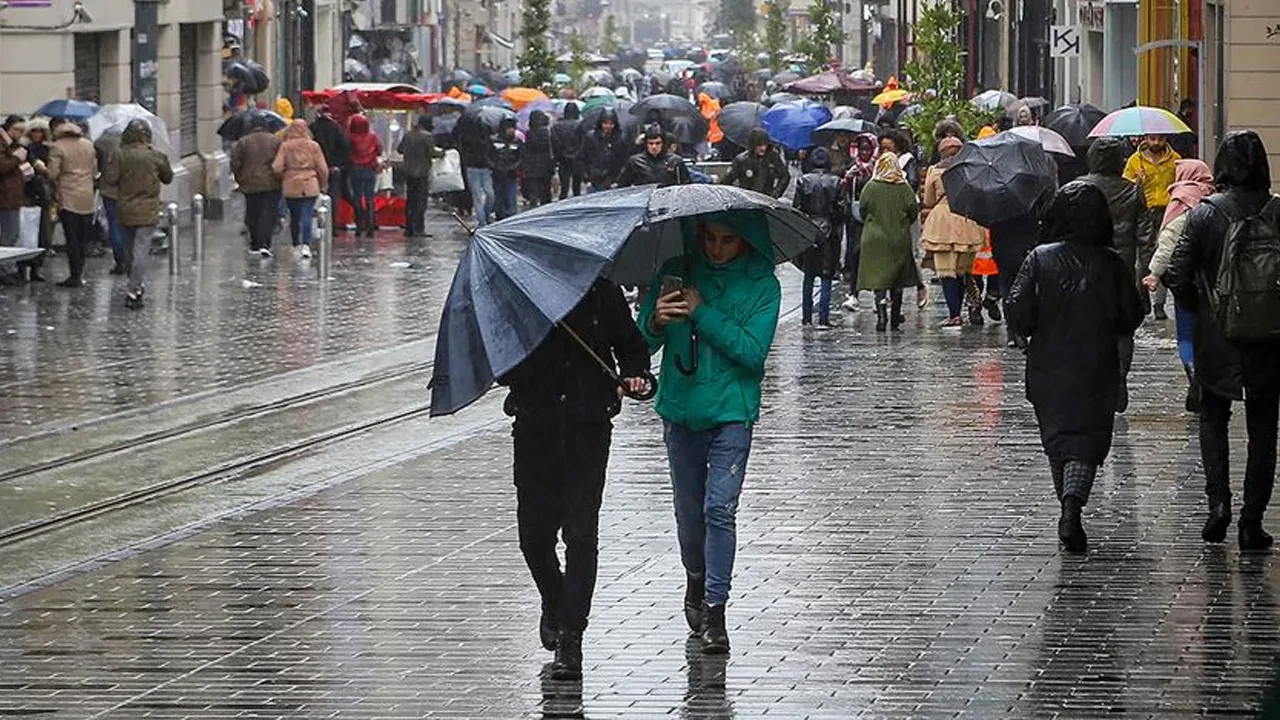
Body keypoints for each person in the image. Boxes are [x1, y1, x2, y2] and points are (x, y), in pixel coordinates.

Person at [637, 213, 781, 656]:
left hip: (731, 411)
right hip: (681, 409)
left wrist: (702, 312)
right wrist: (656, 321)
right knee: (689, 511)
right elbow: (639, 343)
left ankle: (716, 609)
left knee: (720, 508)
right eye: (710, 239)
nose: (717, 249)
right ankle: (695, 576)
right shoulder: (676, 272)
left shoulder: (762, 285)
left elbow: (752, 353)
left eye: (728, 240)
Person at [497, 279, 649, 680]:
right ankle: (555, 599)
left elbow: (631, 347)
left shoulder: (603, 291)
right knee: (534, 537)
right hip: (536, 429)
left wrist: (633, 376)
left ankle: (571, 636)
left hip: (588, 427)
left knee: (581, 534)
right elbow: (502, 365)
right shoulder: (523, 294)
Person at [1006, 181, 1144, 553]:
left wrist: (1033, 323)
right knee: (1086, 441)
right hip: (1097, 365)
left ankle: (1068, 506)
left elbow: (1018, 310)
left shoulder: (1039, 257)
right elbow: (1131, 315)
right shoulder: (1112, 262)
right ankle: (1072, 505)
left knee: (1058, 440)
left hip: (1049, 366)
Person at [1165, 130, 1280, 550]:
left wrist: (1200, 308)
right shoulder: (1276, 211)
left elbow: (1176, 273)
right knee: (1264, 430)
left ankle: (1218, 505)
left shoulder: (1205, 214)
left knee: (1212, 420)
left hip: (1217, 336)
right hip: (1269, 337)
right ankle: (1253, 521)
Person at [1081, 136, 1151, 412]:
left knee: (1088, 326)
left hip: (1086, 268)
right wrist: (1146, 276)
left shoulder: (1078, 188)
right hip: (1123, 266)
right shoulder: (1133, 191)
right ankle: (1119, 375)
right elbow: (1146, 237)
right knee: (1123, 328)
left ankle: (1094, 380)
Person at [1146, 159, 1214, 414]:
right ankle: (1206, 376)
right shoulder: (1213, 199)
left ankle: (1193, 372)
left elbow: (1168, 243)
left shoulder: (1180, 200)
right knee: (1207, 331)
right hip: (1211, 281)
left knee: (1185, 333)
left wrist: (1154, 273)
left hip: (1185, 282)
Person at [102, 120, 173, 309]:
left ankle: (135, 285)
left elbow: (110, 178)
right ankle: (135, 289)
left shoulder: (119, 155)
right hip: (148, 209)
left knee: (128, 250)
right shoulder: (156, 156)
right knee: (141, 249)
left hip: (125, 207)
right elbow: (168, 178)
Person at [920, 136, 985, 327]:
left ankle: (954, 315)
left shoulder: (935, 170)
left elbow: (928, 200)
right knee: (964, 271)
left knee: (946, 272)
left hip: (942, 222)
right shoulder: (971, 168)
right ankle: (973, 302)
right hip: (966, 219)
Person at [857, 153, 921, 332]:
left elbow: (862, 209)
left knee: (879, 278)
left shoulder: (871, 187)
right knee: (897, 278)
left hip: (874, 239)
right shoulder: (904, 188)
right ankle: (895, 316)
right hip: (898, 237)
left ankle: (881, 312)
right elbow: (913, 211)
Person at [1124, 133, 1181, 319]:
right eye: (1153, 139)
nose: (1156, 143)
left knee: (1163, 256)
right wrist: (1138, 180)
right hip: (1144, 213)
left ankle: (1159, 304)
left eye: (1161, 139)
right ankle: (1143, 301)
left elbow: (1180, 184)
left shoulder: (1175, 160)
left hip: (1167, 211)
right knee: (1143, 261)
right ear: (1146, 139)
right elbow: (1125, 187)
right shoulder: (1135, 160)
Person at [792, 147, 845, 329]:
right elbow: (841, 210)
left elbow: (796, 208)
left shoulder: (803, 181)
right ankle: (823, 318)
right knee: (826, 275)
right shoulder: (836, 182)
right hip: (829, 231)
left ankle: (807, 318)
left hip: (809, 229)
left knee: (808, 275)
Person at [47, 117, 98, 287]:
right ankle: (80, 271)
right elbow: (94, 169)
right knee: (83, 237)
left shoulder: (57, 147)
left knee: (72, 237)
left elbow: (53, 173)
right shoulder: (88, 144)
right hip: (87, 195)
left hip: (68, 196)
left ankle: (74, 274)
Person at [272, 120, 329, 258]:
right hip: (310, 183)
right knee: (307, 214)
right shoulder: (314, 146)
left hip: (291, 184)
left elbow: (277, 167)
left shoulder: (285, 146)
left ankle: (296, 243)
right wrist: (323, 184)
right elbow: (322, 168)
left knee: (294, 216)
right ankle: (306, 244)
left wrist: (283, 176)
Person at [231, 115, 283, 257]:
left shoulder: (243, 142)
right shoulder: (275, 141)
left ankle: (254, 244)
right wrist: (279, 178)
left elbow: (235, 163)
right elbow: (280, 162)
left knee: (253, 212)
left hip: (249, 183)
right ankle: (265, 243)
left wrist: (239, 178)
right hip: (271, 183)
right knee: (268, 212)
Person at [841, 133, 878, 311]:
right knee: (855, 253)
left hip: (874, 217)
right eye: (862, 149)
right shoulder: (851, 170)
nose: (864, 152)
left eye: (867, 149)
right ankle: (854, 292)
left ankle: (878, 296)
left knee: (874, 254)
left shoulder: (877, 169)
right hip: (854, 218)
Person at [20, 121, 53, 283]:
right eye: (35, 131)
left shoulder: (49, 150)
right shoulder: (25, 149)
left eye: (41, 131)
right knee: (26, 233)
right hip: (28, 194)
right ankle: (22, 268)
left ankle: (35, 269)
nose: (37, 134)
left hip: (43, 194)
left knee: (42, 234)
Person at [397, 115, 441, 237]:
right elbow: (432, 153)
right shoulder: (427, 136)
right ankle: (419, 229)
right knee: (420, 201)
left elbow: (400, 149)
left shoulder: (408, 135)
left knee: (410, 201)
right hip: (422, 173)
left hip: (408, 171)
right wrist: (442, 153)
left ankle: (409, 227)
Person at [311, 104, 352, 231]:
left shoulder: (312, 128)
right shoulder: (336, 128)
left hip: (315, 169)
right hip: (333, 168)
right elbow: (345, 146)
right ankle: (332, 226)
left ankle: (317, 225)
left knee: (315, 197)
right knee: (333, 197)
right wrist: (338, 164)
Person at [0, 115, 30, 286]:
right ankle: (4, 271)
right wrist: (17, 158)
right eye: (17, 130)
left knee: (11, 235)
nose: (20, 133)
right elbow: (3, 166)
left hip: (12, 195)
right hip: (5, 197)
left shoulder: (12, 144)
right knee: (8, 236)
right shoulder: (4, 144)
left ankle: (7, 270)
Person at [94, 130, 127, 275]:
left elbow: (106, 173)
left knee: (114, 224)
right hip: (126, 193)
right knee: (125, 226)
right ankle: (127, 259)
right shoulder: (127, 147)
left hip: (109, 192)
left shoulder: (100, 142)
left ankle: (120, 260)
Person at [614, 125, 689, 188]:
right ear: (646, 144)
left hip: (668, 200)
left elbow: (686, 187)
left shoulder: (675, 161)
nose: (654, 147)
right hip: (643, 201)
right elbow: (622, 187)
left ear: (663, 143)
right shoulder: (635, 162)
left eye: (657, 143)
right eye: (651, 143)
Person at [721, 128, 789, 198]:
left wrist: (776, 193)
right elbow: (726, 181)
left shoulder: (773, 156)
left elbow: (784, 175)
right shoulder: (742, 160)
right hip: (748, 199)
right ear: (753, 145)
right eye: (759, 145)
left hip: (767, 198)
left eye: (765, 145)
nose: (763, 148)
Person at [346, 113, 383, 237]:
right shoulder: (373, 137)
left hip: (355, 170)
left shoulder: (350, 138)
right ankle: (370, 226)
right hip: (370, 169)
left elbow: (347, 152)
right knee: (369, 198)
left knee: (357, 197)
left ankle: (359, 225)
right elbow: (379, 150)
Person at [457, 118, 496, 227]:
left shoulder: (483, 137)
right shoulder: (467, 138)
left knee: (487, 195)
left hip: (482, 167)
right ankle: (483, 220)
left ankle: (485, 217)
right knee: (481, 195)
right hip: (475, 168)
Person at [581, 108, 629, 193]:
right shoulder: (591, 138)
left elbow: (624, 161)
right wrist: (586, 179)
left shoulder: (620, 139)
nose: (608, 126)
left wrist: (617, 180)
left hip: (611, 181)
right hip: (594, 181)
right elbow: (583, 158)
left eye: (611, 124)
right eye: (605, 123)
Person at [521, 110, 555, 208]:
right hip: (545, 165)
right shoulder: (546, 132)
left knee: (533, 190)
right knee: (545, 190)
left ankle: (534, 206)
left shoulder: (528, 133)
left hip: (531, 166)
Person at [491, 117, 522, 221]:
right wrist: (495, 166)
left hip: (511, 174)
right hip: (497, 174)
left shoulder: (517, 141)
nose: (512, 130)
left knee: (511, 199)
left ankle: (510, 219)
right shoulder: (494, 140)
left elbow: (521, 157)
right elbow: (489, 156)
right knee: (498, 199)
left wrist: (513, 167)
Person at [551, 102, 584, 199]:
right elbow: (583, 141)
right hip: (577, 159)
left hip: (563, 160)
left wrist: (559, 155)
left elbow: (554, 143)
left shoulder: (556, 126)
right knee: (577, 186)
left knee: (564, 186)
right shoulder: (580, 125)